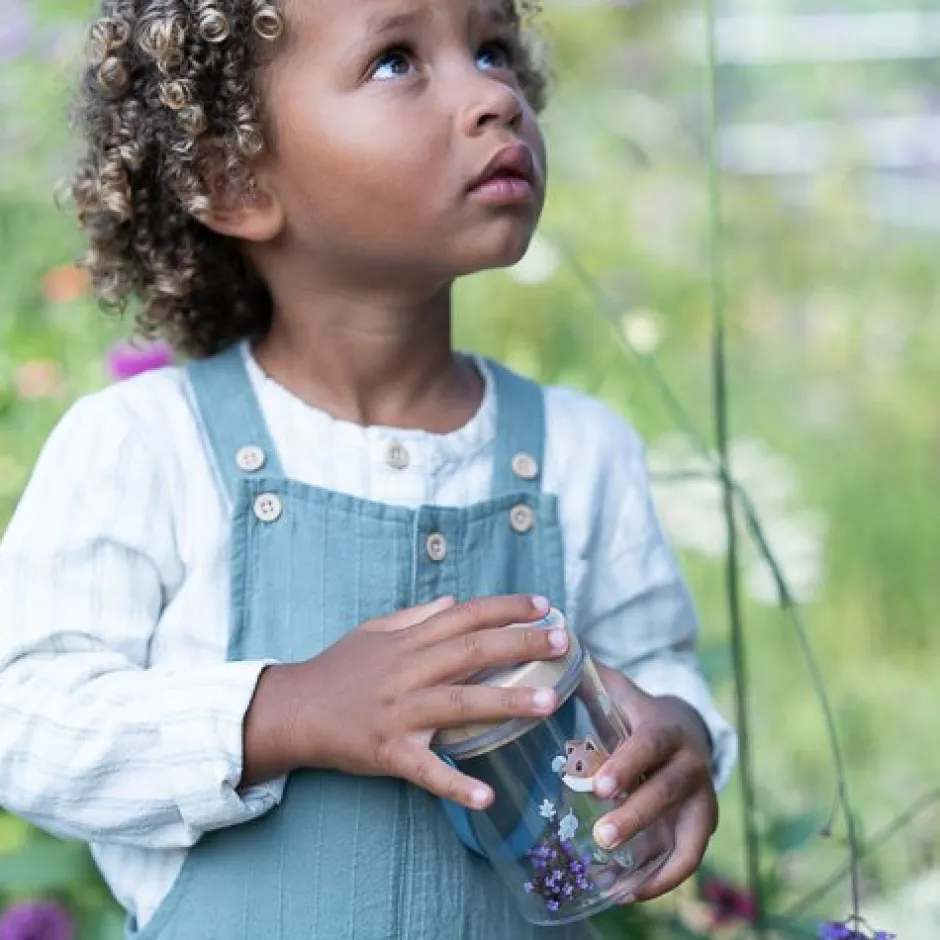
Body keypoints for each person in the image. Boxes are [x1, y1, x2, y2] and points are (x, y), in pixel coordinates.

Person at [0, 0, 736, 936]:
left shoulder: (581, 453)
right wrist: (288, 709)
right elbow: (27, 725)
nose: (492, 96)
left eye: (493, 49)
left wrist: (681, 733)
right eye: (396, 62)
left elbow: (655, 666)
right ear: (233, 179)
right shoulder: (145, 445)